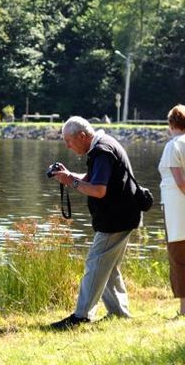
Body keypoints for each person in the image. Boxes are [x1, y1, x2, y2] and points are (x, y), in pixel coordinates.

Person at [48, 116, 141, 330]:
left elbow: (99, 190)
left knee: (96, 262)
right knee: (108, 266)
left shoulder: (102, 151)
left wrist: (71, 181)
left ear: (82, 136)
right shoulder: (102, 145)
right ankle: (119, 313)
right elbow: (93, 179)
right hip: (123, 216)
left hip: (116, 219)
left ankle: (81, 316)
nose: (67, 146)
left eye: (68, 141)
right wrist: (67, 175)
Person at [158, 104, 185, 317]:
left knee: (179, 257)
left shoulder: (173, 145)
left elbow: (180, 182)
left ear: (171, 124)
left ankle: (184, 309)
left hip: (177, 209)